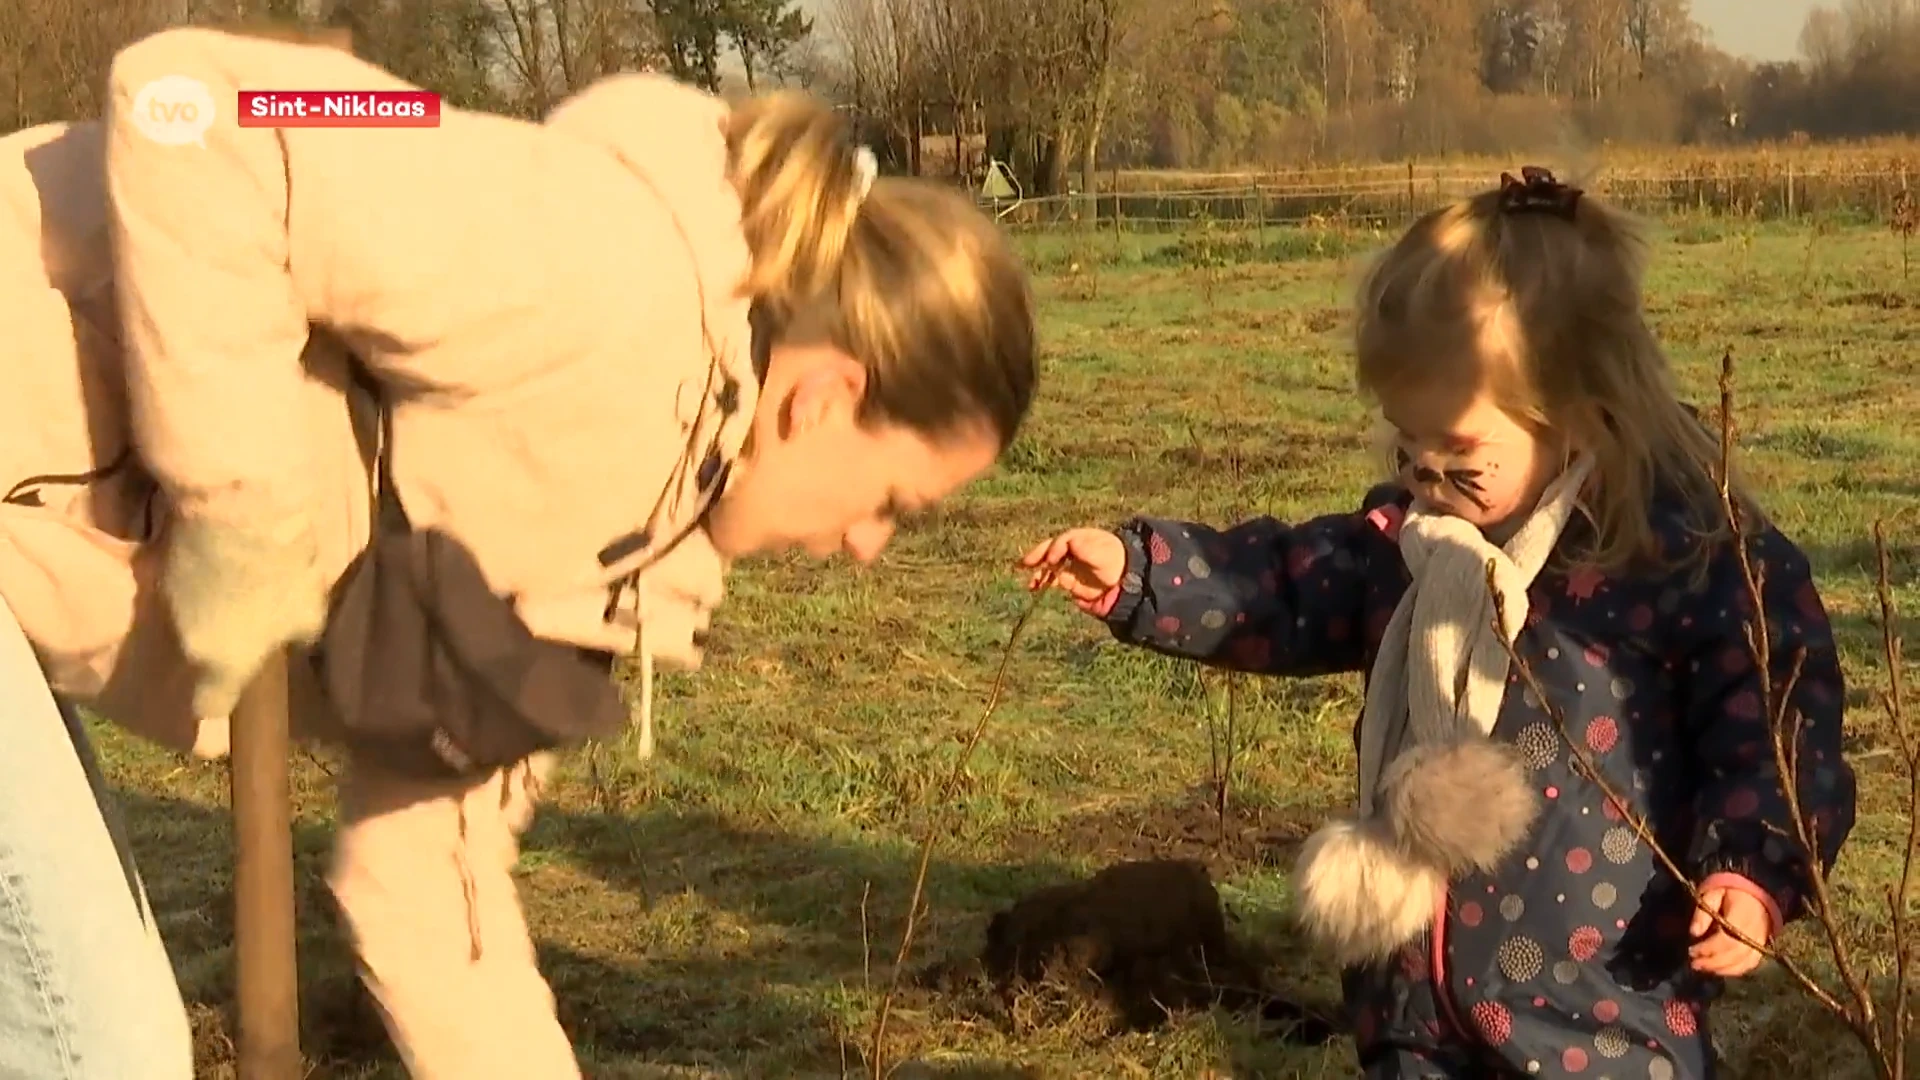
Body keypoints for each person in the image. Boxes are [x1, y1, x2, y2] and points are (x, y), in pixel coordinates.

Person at [0, 23, 1036, 1080]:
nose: (867, 547)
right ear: (827, 402)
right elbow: (197, 103)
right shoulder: (599, 261)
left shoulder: (628, 569)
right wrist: (240, 507)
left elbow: (434, 897)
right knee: (99, 1050)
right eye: (896, 505)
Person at [1019, 169, 1856, 1079]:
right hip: (1414, 1012)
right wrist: (1143, 572)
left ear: (1578, 413)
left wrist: (1754, 867)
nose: (1427, 478)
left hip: (1604, 1017)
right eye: (1406, 444)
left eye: (1460, 455)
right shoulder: (1416, 542)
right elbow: (1287, 587)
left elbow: (1775, 714)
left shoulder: (1681, 557)